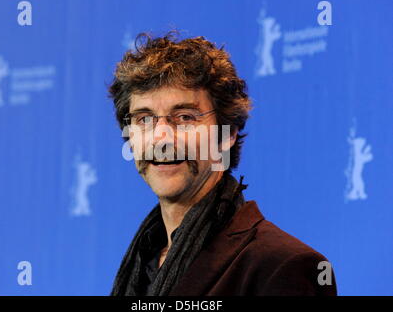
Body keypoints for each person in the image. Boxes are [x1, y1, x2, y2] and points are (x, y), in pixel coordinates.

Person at [108, 31, 337, 296]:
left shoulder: (283, 266)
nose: (160, 138)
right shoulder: (141, 260)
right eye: (144, 120)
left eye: (184, 117)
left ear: (227, 134)